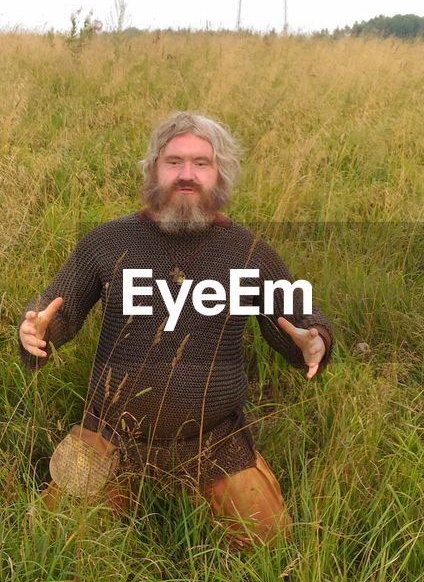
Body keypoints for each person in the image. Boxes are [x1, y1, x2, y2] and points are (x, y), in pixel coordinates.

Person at [17, 112, 333, 549]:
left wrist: (313, 339)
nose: (187, 175)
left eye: (201, 163)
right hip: (111, 436)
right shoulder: (109, 241)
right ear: (153, 169)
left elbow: (298, 318)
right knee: (57, 547)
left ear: (220, 172)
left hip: (214, 443)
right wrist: (35, 331)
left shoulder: (248, 252)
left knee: (269, 545)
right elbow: (57, 306)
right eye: (174, 162)